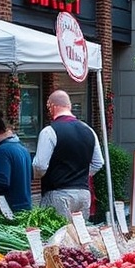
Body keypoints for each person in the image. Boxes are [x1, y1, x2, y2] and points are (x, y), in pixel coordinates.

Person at [33, 90, 104, 219]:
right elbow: (98, 163)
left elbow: (40, 165)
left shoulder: (49, 131)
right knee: (79, 235)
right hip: (83, 193)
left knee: (57, 235)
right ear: (69, 106)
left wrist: (38, 175)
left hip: (58, 193)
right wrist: (80, 174)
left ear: (52, 106)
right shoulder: (89, 130)